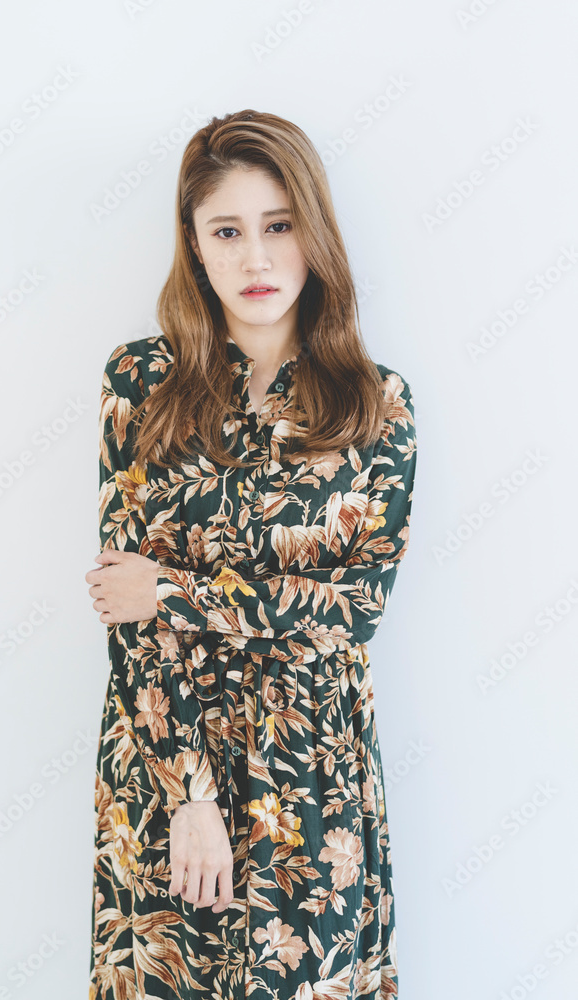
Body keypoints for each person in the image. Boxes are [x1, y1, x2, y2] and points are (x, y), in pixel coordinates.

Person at [85, 109, 417, 1000]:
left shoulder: (376, 405)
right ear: (194, 245)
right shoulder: (140, 384)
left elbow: (355, 610)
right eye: (226, 231)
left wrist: (175, 591)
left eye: (278, 225)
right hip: (166, 755)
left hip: (312, 772)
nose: (255, 258)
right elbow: (125, 610)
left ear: (314, 232)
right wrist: (190, 795)